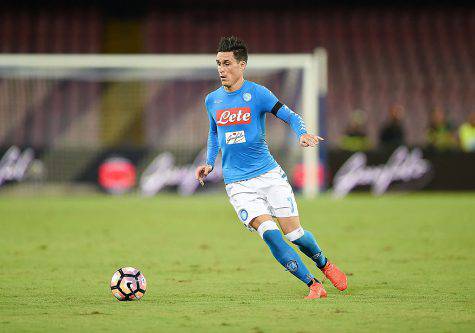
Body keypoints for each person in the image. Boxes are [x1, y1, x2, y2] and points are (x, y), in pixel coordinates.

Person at [195, 36, 347, 299]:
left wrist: (302, 133)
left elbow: (291, 115)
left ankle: (324, 264)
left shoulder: (258, 94)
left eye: (227, 63)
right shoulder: (212, 100)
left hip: (268, 175)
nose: (221, 69)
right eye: (219, 63)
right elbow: (213, 132)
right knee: (270, 234)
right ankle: (313, 285)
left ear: (242, 65)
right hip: (238, 184)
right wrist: (209, 162)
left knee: (295, 234)